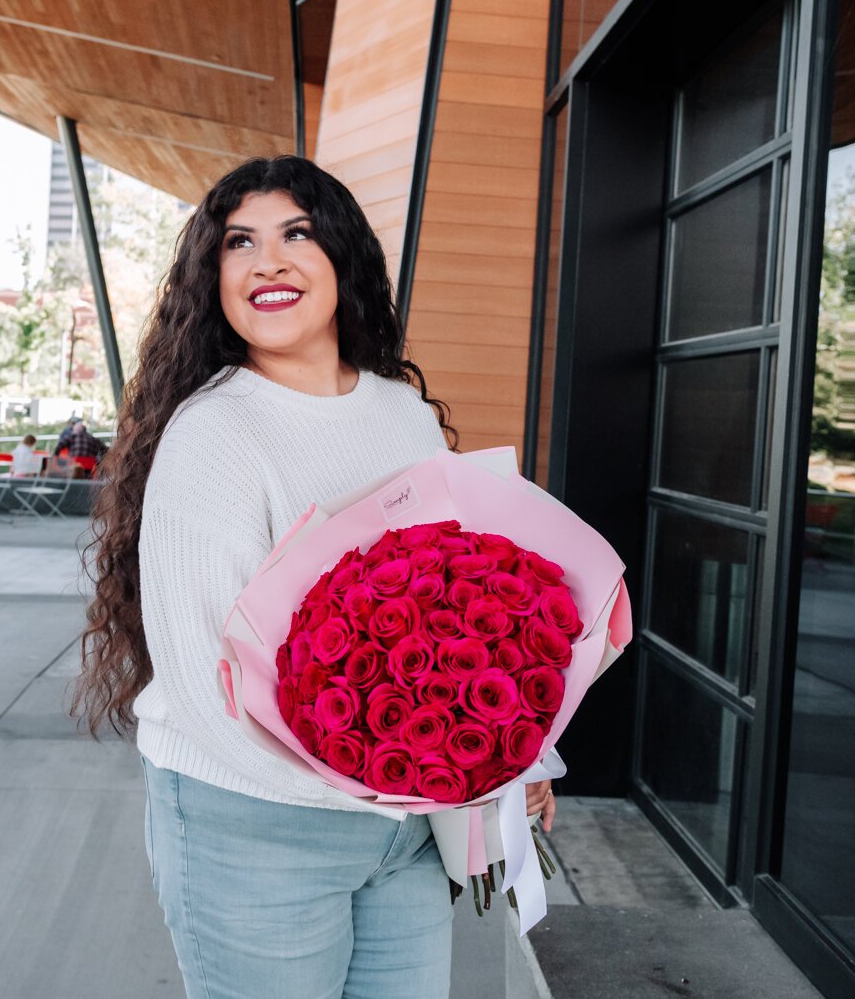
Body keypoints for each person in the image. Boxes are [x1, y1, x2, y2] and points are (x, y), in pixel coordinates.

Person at [72, 155, 556, 998]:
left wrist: (521, 752)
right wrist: (392, 775)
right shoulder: (213, 433)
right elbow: (202, 679)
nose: (269, 261)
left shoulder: (401, 413)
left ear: (343, 257)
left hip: (405, 825)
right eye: (238, 242)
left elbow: (470, 610)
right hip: (255, 821)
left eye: (297, 232)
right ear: (214, 278)